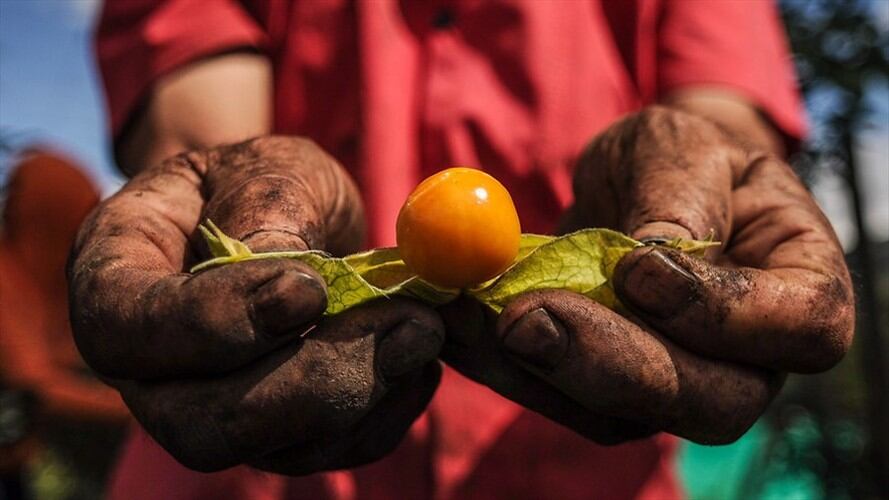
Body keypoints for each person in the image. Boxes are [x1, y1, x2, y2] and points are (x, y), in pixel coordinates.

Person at [76, 1, 855, 498]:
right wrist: (255, 218)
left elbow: (721, 126)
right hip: (248, 462)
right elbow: (200, 131)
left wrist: (695, 183)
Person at [0, 151, 131, 500]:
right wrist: (137, 407)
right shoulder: (6, 282)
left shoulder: (39, 285)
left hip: (17, 463)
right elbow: (35, 387)